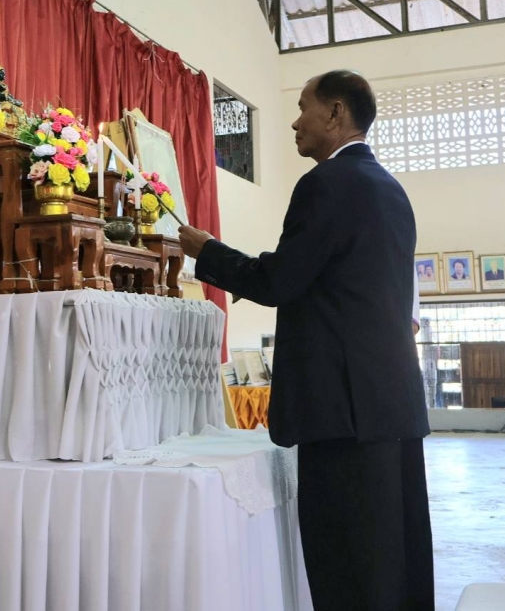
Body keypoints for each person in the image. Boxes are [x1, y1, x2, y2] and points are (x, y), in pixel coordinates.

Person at [179, 70, 433, 610]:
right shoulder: (390, 188)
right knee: (393, 558)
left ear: (335, 112)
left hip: (342, 412)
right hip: (389, 405)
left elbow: (281, 281)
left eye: (302, 108)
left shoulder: (327, 183)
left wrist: (207, 252)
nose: (295, 122)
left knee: (347, 569)